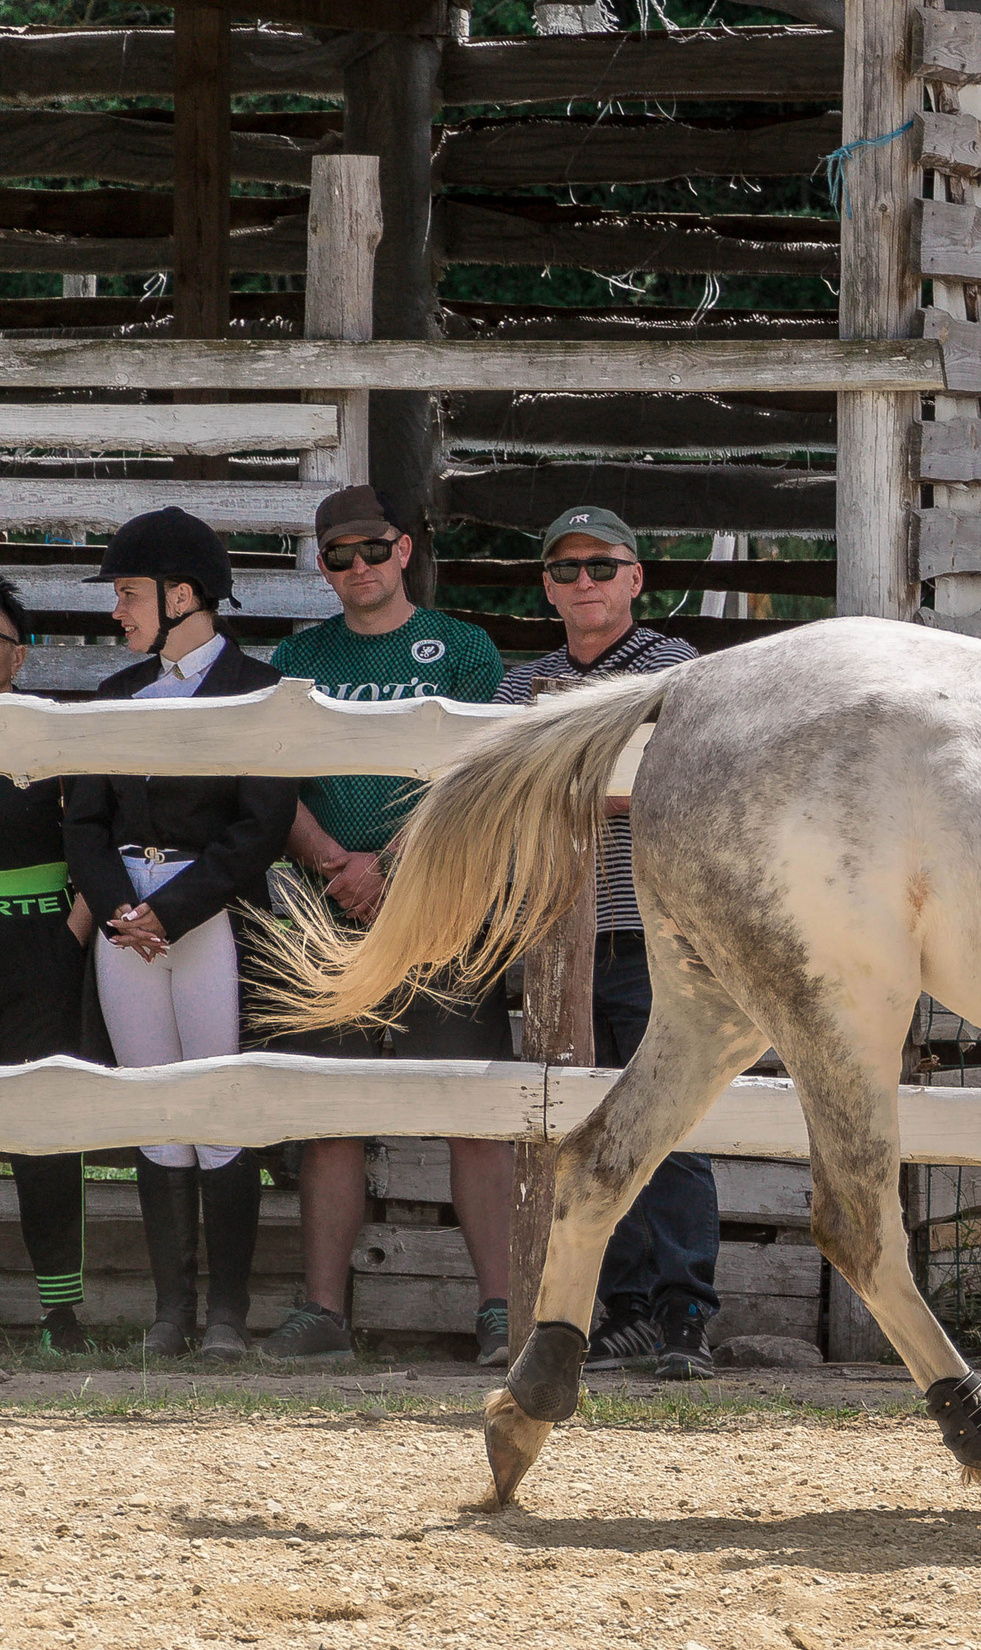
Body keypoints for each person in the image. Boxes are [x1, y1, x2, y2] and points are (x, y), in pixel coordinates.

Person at [260, 485, 517, 1365]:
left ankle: (501, 1310)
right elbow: (271, 777)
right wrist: (338, 862)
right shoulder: (298, 655)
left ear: (404, 550)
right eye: (340, 554)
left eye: (374, 548)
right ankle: (322, 1313)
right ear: (323, 565)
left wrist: (391, 867)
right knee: (330, 1112)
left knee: (471, 1107)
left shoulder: (466, 648)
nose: (359, 565)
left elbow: (474, 774)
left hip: (443, 906)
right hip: (326, 908)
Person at [62, 509, 296, 1360]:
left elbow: (261, 825)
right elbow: (85, 822)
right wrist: (120, 907)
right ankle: (171, 1312)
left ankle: (226, 1312)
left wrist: (176, 909)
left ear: (183, 595)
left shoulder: (260, 688)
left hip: (212, 919)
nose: (116, 610)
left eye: (129, 593)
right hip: (126, 925)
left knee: (218, 1110)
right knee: (156, 1110)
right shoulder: (114, 694)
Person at [494, 505, 717, 1379]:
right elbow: (503, 796)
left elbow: (677, 782)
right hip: (558, 940)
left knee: (671, 1123)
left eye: (601, 565)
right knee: (581, 1127)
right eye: (566, 569)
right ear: (547, 588)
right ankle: (620, 1309)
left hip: (659, 932)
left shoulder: (675, 668)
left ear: (635, 579)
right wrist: (604, 786)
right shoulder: (522, 684)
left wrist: (564, 788)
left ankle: (684, 1312)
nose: (583, 581)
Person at [0, 575, 97, 1353]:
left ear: (20, 654)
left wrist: (70, 934)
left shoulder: (55, 738)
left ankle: (61, 1316)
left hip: (42, 950)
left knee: (46, 1127)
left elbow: (94, 838)